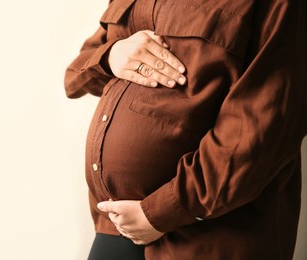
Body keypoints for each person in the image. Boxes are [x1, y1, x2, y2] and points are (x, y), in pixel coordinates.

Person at [64, 0, 307, 259]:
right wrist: (112, 55)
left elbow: (266, 122)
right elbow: (74, 78)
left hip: (211, 235)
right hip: (114, 226)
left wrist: (163, 211)